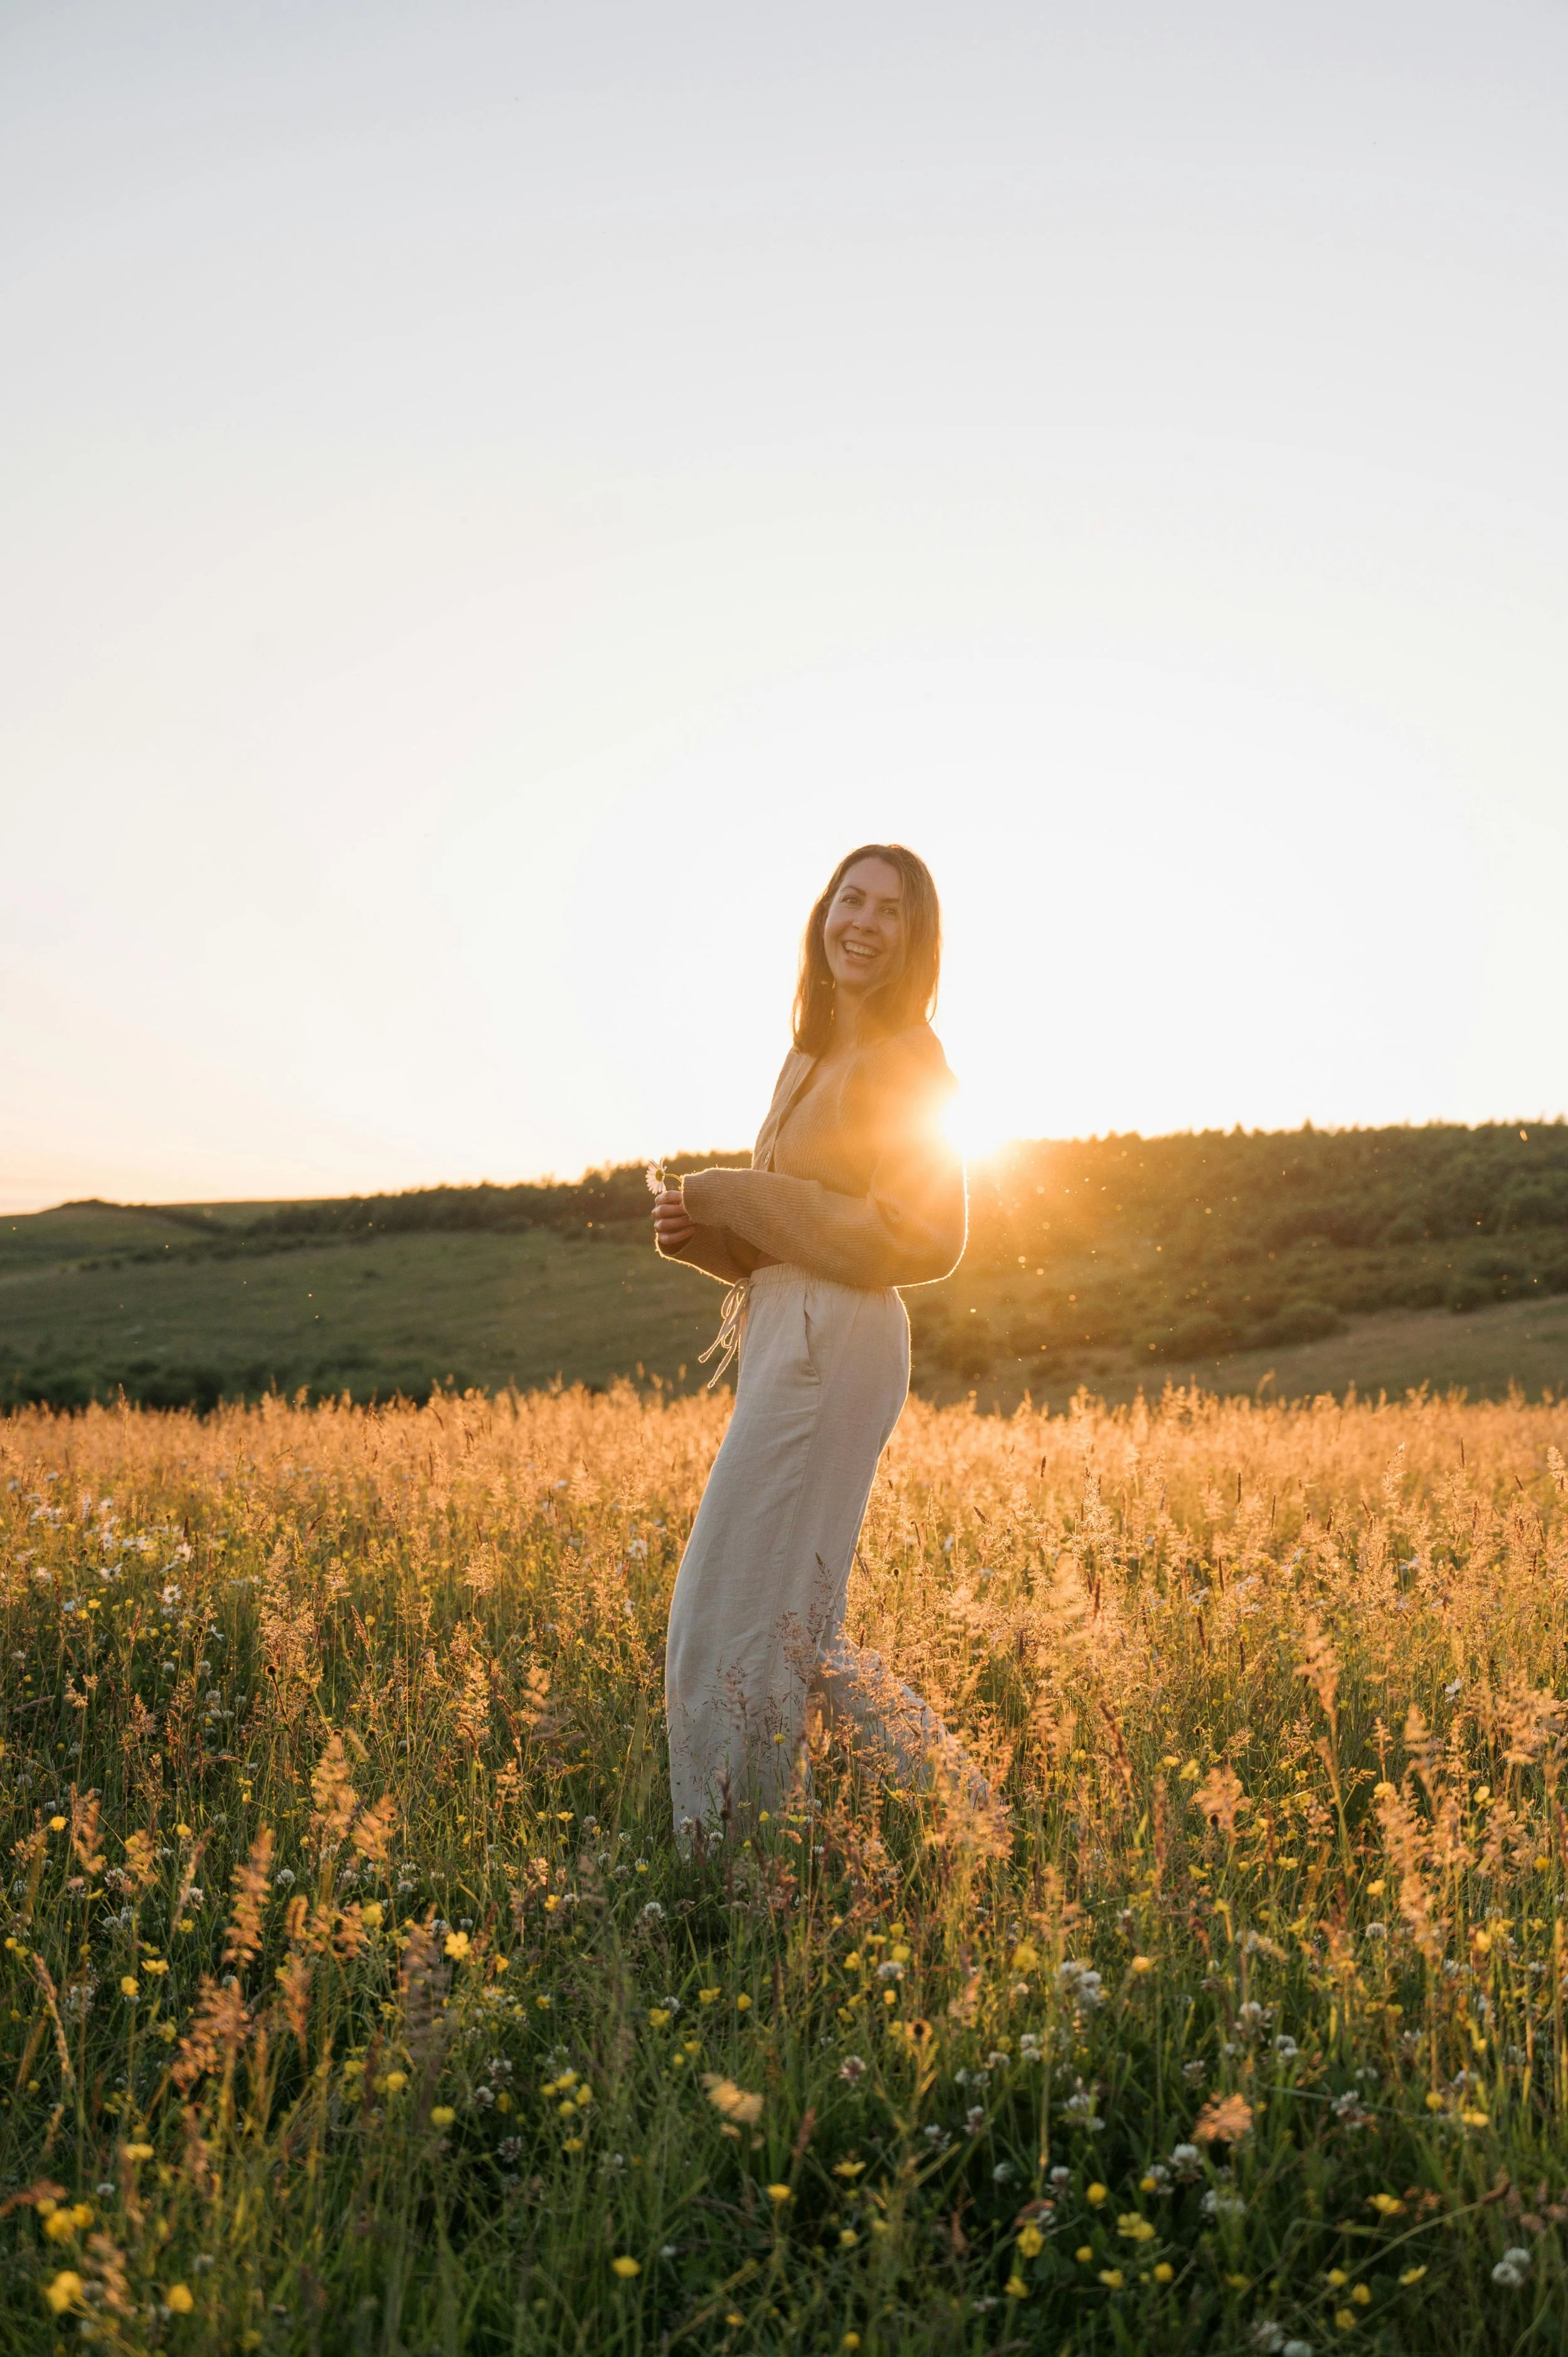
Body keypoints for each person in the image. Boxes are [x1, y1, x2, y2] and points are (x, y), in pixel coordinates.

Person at [652, 842, 1001, 1849]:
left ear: (914, 939)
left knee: (729, 1617)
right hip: (790, 1331)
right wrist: (708, 1238)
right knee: (787, 1626)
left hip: (833, 1342)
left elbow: (921, 1237)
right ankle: (968, 1817)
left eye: (890, 911)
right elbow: (800, 1243)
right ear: (822, 916)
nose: (862, 921)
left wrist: (737, 1193)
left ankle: (730, 1855)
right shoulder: (809, 1057)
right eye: (849, 899)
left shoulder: (910, 1062)